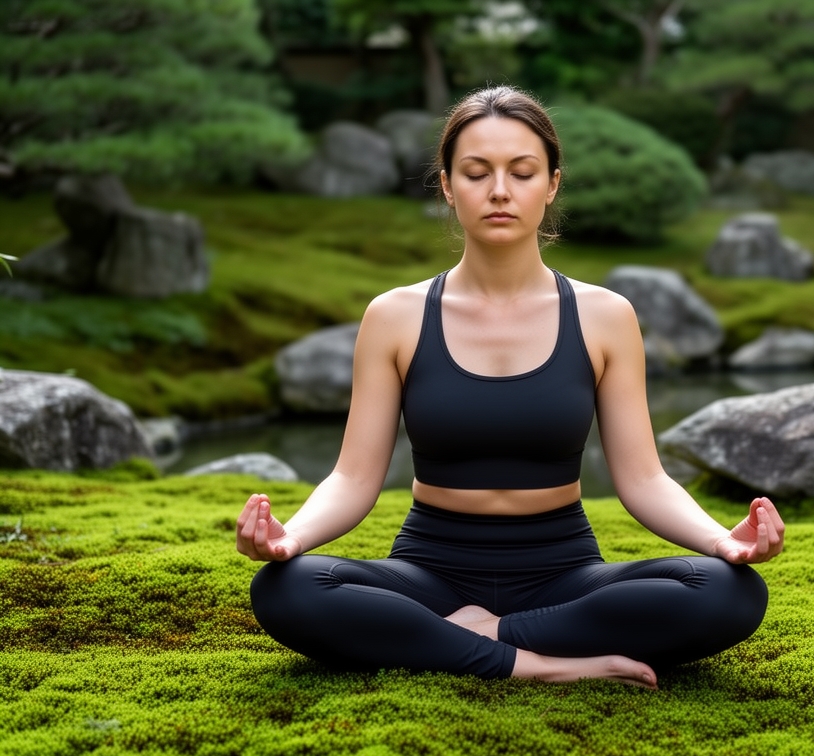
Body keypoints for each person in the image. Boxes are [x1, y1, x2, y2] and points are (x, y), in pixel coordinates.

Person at [236, 85, 785, 690]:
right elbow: (353, 478)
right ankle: (539, 663)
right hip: (429, 570)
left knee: (729, 591)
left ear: (551, 184)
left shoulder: (605, 316)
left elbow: (644, 480)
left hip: (564, 573)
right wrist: (292, 537)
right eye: (477, 173)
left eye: (522, 173)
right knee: (286, 588)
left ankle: (475, 636)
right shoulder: (395, 316)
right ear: (448, 186)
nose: (499, 191)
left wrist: (720, 541)